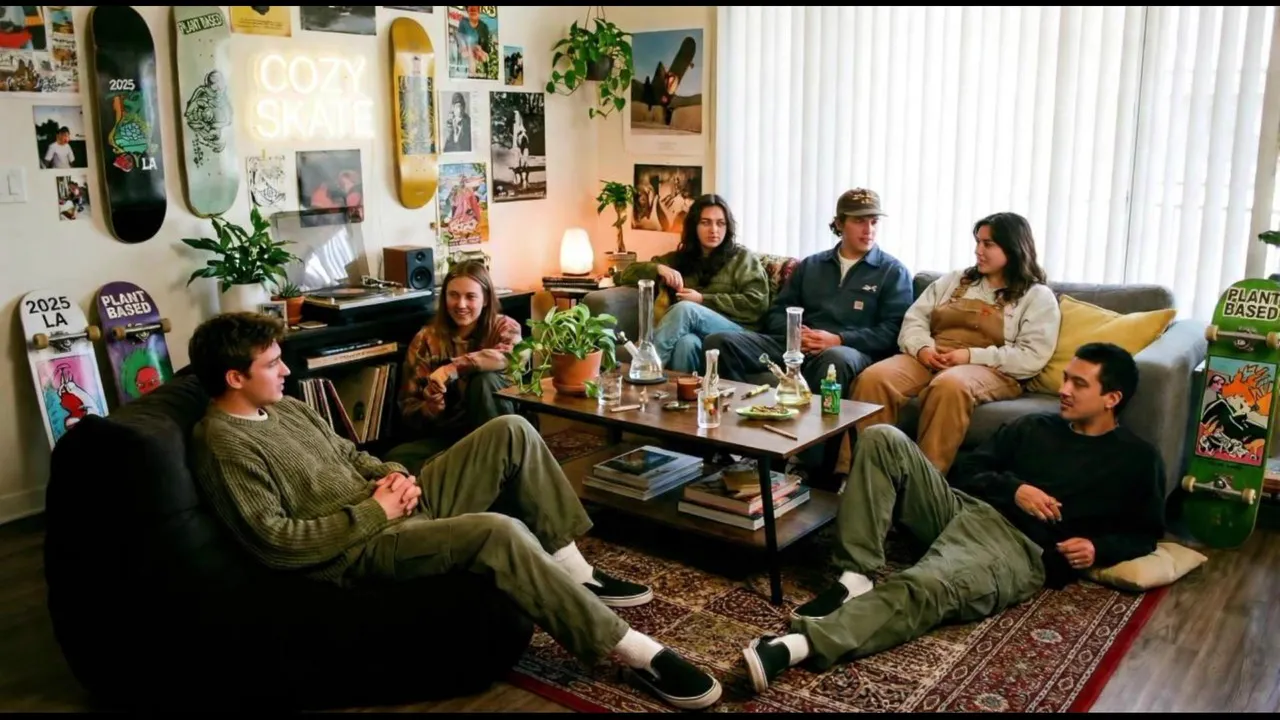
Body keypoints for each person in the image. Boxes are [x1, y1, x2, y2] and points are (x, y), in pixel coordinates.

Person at [187, 312, 723, 710]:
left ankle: (573, 569)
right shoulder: (223, 443)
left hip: (389, 504)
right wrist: (376, 512)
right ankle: (635, 653)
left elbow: (351, 454)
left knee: (511, 430)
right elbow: (277, 541)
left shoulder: (285, 407)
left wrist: (393, 477)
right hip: (359, 548)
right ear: (234, 377)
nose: (286, 369)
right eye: (272, 363)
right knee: (498, 531)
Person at [740, 343, 1166, 693]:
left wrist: (1096, 548)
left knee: (926, 585)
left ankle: (796, 645)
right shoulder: (1034, 426)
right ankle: (856, 575)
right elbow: (967, 470)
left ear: (1112, 399)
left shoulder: (1135, 460)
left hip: (1015, 547)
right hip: (961, 508)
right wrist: (1014, 489)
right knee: (882, 436)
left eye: (1079, 383)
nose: (1064, 389)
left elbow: (1145, 533)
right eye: (1066, 378)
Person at [705, 188, 913, 469]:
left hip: (849, 350)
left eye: (874, 221)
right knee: (719, 343)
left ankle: (809, 464)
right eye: (859, 221)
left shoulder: (892, 271)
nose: (869, 229)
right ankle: (739, 444)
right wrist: (796, 334)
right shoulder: (813, 265)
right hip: (796, 345)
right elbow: (777, 312)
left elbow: (892, 331)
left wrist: (838, 339)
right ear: (839, 223)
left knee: (834, 361)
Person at [847, 212, 1061, 475]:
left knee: (949, 386)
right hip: (932, 355)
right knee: (874, 379)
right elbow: (915, 319)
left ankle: (924, 485)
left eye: (988, 244)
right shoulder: (955, 280)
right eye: (978, 242)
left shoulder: (1037, 296)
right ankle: (863, 476)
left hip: (990, 368)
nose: (978, 250)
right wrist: (922, 349)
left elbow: (1030, 356)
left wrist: (969, 356)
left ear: (1014, 247)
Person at [614, 194, 769, 372]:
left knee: (686, 309)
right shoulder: (680, 259)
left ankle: (646, 371)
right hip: (697, 335)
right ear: (694, 226)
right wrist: (658, 268)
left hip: (737, 333)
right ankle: (677, 390)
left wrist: (703, 300)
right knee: (686, 343)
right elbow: (625, 275)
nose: (714, 230)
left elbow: (757, 304)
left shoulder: (743, 259)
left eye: (720, 223)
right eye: (705, 222)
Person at [398, 260, 520, 468]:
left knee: (485, 381)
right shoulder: (426, 339)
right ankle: (468, 466)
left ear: (485, 299)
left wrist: (452, 368)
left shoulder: (504, 327)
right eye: (453, 295)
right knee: (396, 459)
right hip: (452, 437)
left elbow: (511, 356)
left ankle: (497, 464)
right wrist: (430, 407)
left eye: (470, 296)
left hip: (499, 431)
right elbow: (408, 407)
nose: (461, 305)